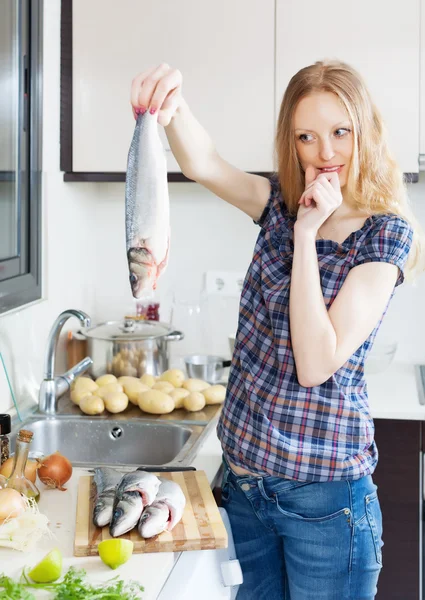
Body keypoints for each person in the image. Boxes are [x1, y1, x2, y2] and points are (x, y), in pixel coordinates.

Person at [130, 60, 424, 599]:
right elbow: (205, 164)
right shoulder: (279, 206)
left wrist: (308, 234)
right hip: (244, 491)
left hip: (325, 503)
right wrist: (171, 107)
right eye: (306, 137)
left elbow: (317, 361)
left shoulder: (385, 238)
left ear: (365, 130)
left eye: (340, 132)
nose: (325, 153)